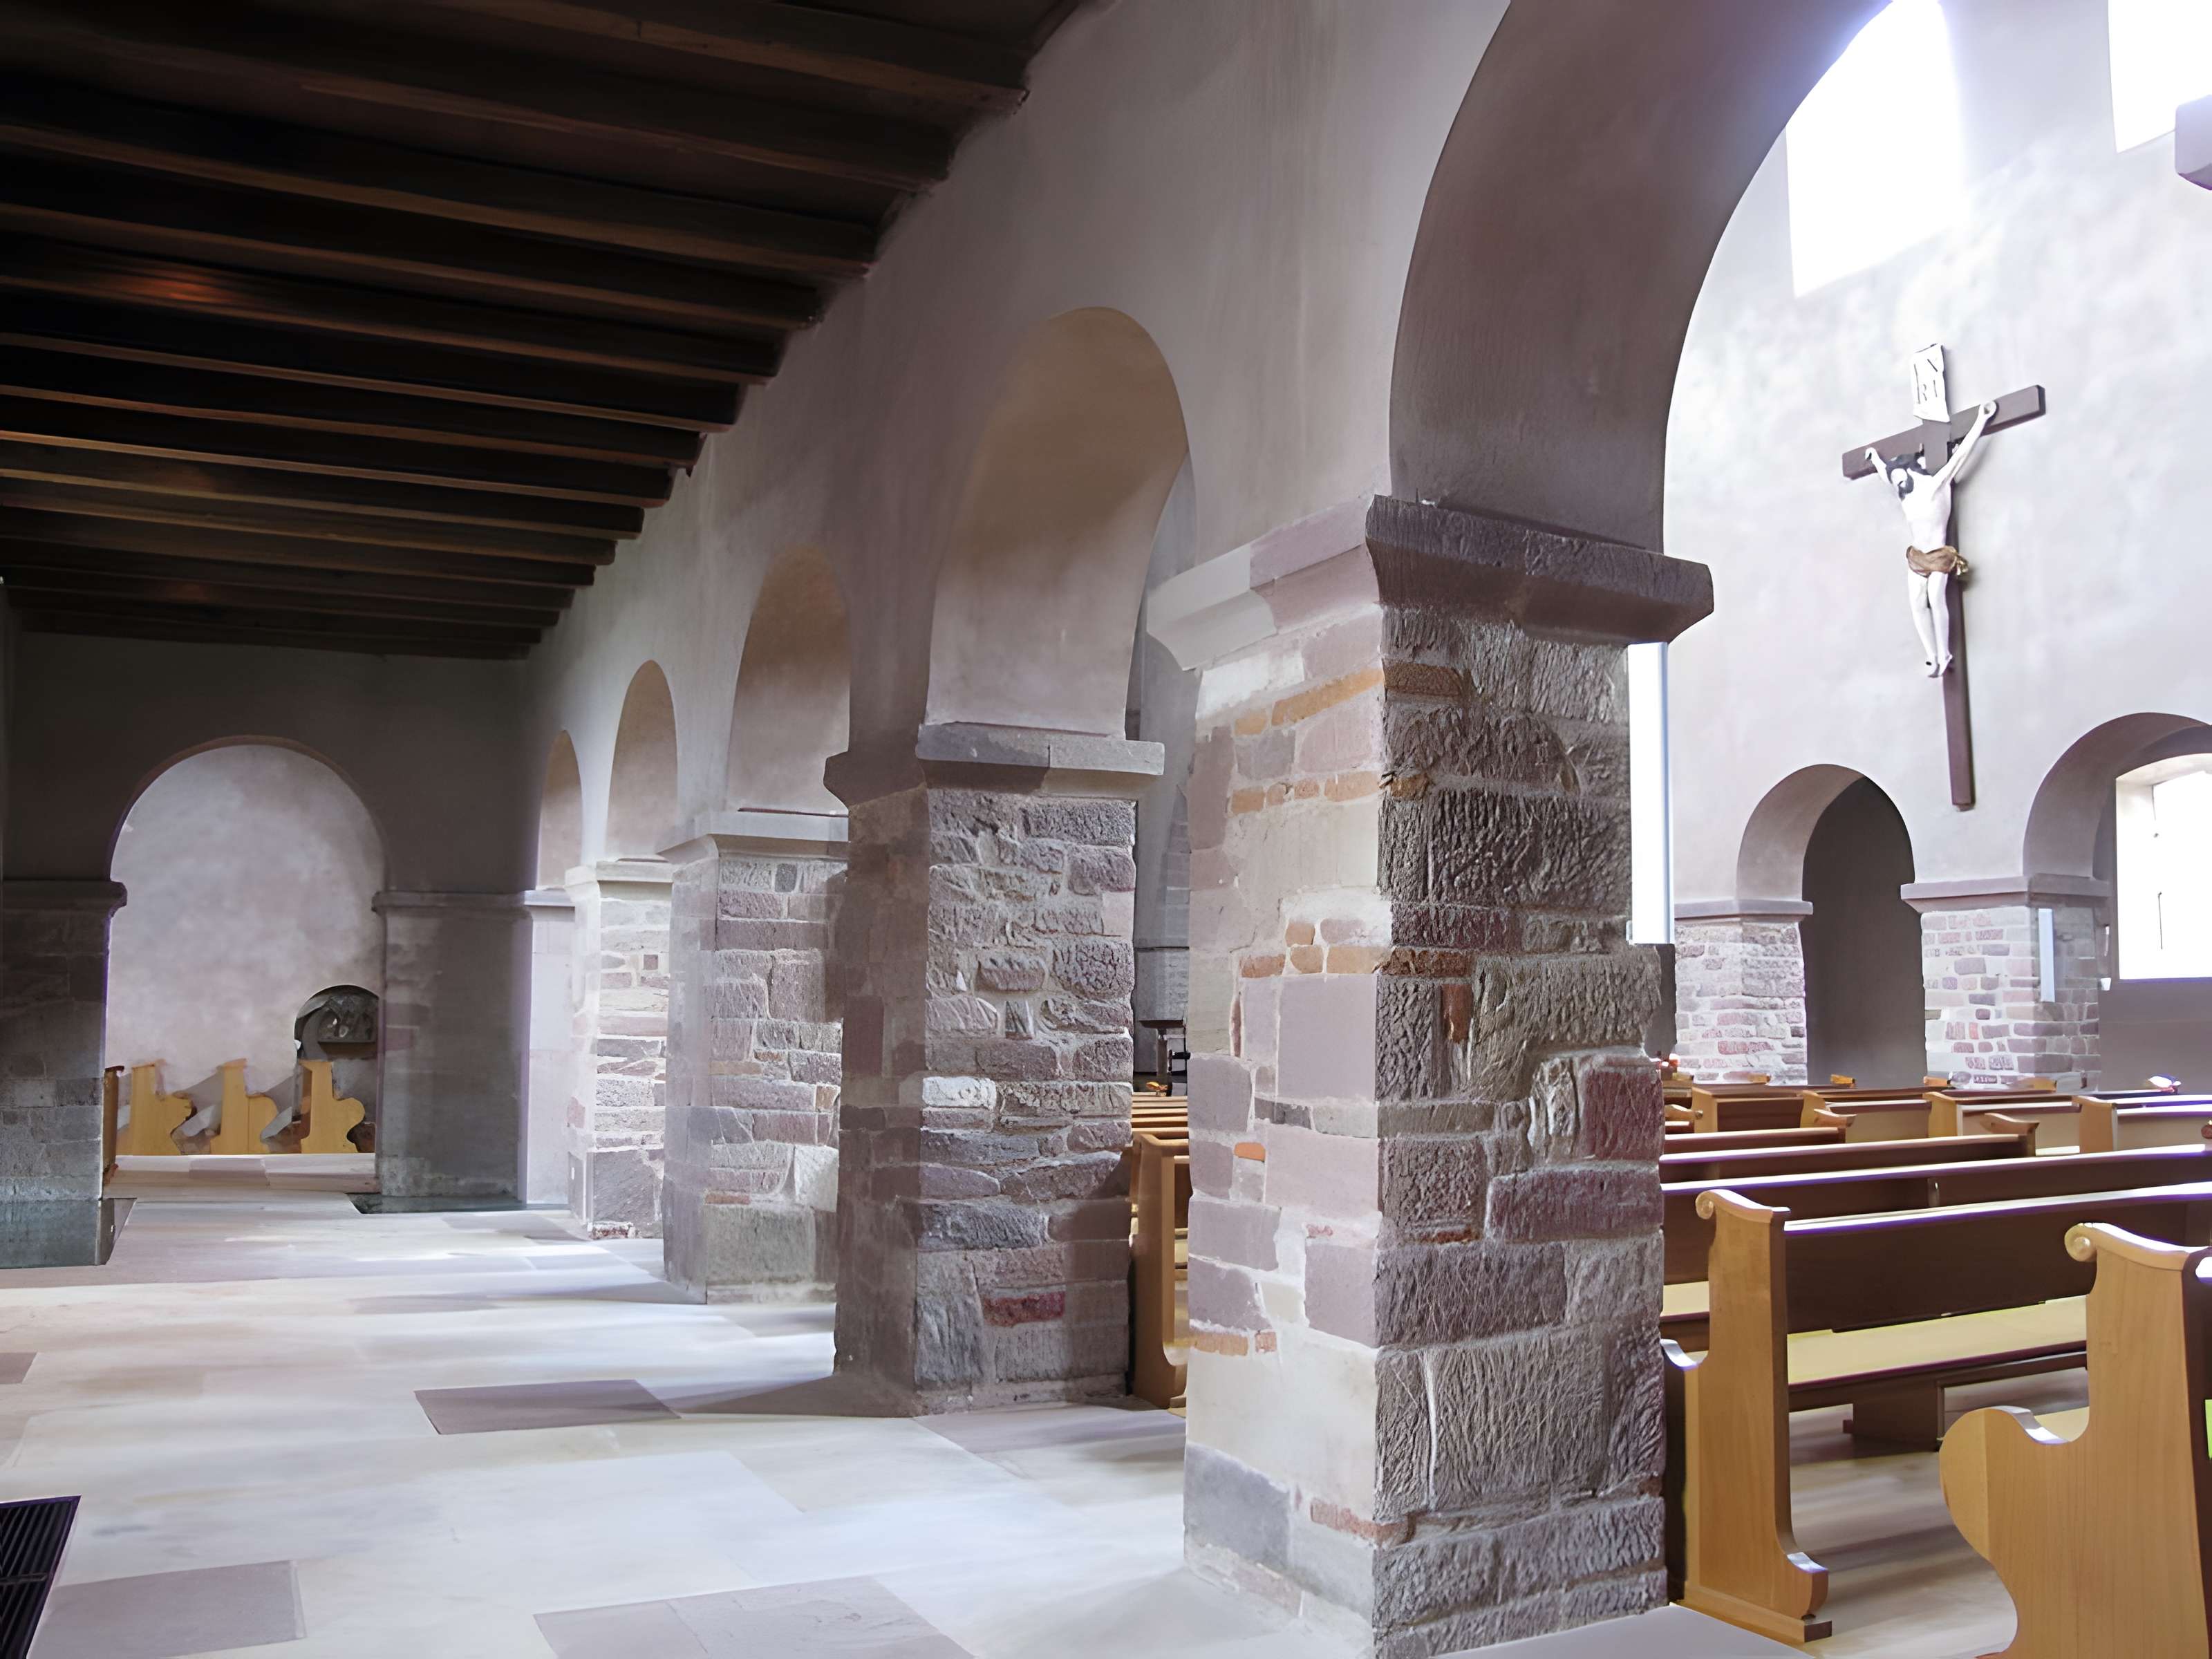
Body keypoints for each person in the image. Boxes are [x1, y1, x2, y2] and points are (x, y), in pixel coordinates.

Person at [1868, 399, 1997, 676]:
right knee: (1917, 603)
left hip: (1939, 554)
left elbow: (1961, 455)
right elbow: (1884, 477)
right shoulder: (1906, 495)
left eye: (1901, 477)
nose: (1899, 483)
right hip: (1917, 557)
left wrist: (1981, 421)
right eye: (1897, 480)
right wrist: (1877, 460)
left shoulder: (1933, 485)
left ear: (1912, 471)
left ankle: (1945, 652)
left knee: (1936, 598)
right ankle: (1932, 655)